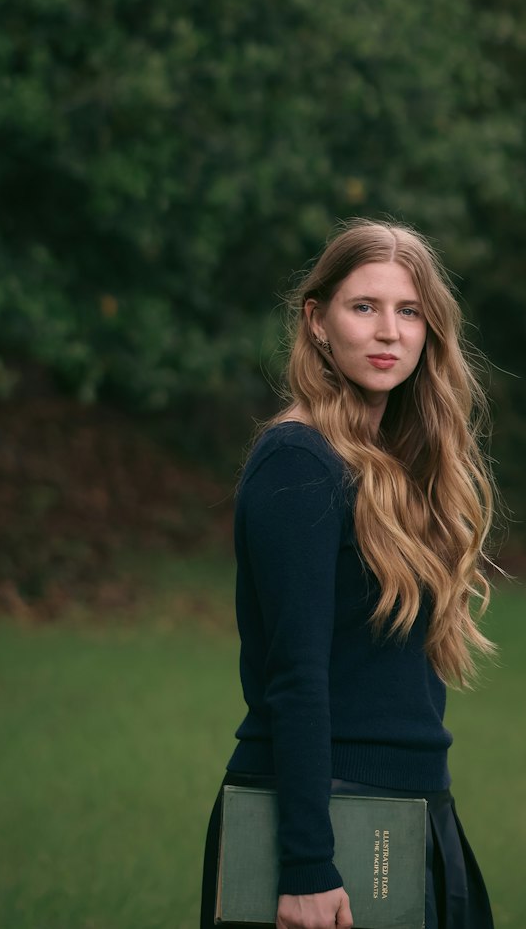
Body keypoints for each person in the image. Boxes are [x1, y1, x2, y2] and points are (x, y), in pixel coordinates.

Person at [200, 218, 501, 929]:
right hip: (326, 821)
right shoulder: (298, 463)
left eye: (409, 311)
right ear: (317, 322)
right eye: (363, 307)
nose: (388, 331)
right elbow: (296, 675)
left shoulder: (398, 470)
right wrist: (306, 865)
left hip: (415, 806)